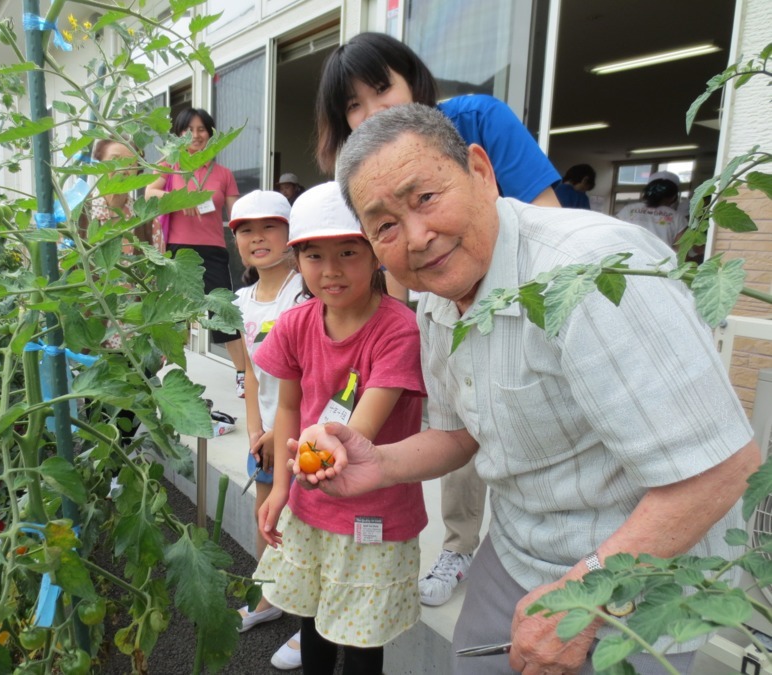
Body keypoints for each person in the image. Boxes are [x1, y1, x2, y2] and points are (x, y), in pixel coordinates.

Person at [292, 103, 760, 674]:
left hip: (639, 577)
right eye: (385, 226)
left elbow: (720, 469)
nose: (416, 237)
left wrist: (584, 598)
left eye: (426, 198)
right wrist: (380, 463)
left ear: (480, 171)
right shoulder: (438, 297)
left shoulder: (595, 271)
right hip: (518, 547)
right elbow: (461, 434)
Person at [315, 30, 560, 606]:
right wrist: (407, 330)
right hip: (450, 306)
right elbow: (401, 265)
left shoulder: (478, 121)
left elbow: (545, 218)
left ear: (414, 80)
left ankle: (550, 547)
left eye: (382, 89)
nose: (373, 111)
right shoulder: (362, 172)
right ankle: (460, 544)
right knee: (461, 421)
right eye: (354, 104)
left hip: (531, 299)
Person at [252, 181, 427, 674]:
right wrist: (281, 488)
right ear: (297, 261)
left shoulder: (398, 328)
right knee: (311, 618)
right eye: (314, 255)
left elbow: (360, 428)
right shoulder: (296, 323)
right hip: (312, 501)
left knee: (363, 639)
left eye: (348, 252)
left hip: (375, 512)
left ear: (376, 255)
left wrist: (321, 454)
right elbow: (288, 407)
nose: (330, 270)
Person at [229, 190, 305, 640]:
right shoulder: (241, 300)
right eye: (246, 231)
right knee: (266, 515)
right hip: (266, 434)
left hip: (302, 428)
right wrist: (256, 430)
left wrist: (278, 432)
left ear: (290, 235)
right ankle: (268, 598)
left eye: (269, 227)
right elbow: (251, 374)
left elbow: (312, 374)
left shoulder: (304, 292)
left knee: (307, 521)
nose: (257, 238)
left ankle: (309, 618)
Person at [145, 107, 248, 397]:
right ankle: (149, 372)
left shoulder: (223, 174)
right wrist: (182, 199)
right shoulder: (169, 165)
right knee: (174, 316)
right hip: (179, 251)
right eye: (188, 129)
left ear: (211, 134)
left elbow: (237, 215)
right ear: (178, 134)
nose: (195, 135)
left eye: (202, 129)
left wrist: (247, 246)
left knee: (224, 313)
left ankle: (243, 374)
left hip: (214, 250)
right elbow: (149, 193)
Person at [616, 170, 688, 249]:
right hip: (660, 257)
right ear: (673, 196)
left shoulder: (628, 210)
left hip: (627, 256)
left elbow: (613, 234)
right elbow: (681, 251)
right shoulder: (678, 218)